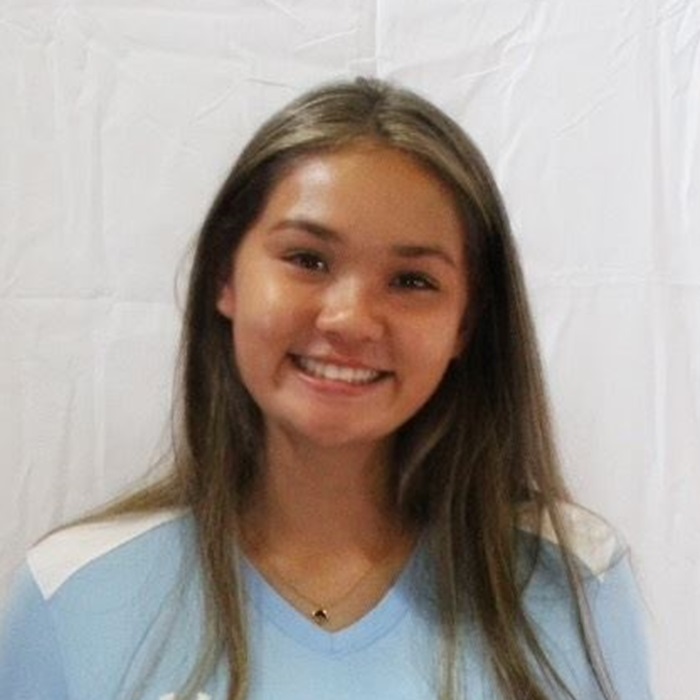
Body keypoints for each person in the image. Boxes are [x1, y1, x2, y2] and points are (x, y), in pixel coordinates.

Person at [0, 77, 652, 700]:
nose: (349, 320)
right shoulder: (75, 593)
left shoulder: (576, 581)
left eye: (412, 281)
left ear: (465, 323)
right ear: (226, 277)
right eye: (307, 260)